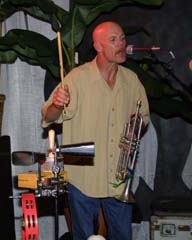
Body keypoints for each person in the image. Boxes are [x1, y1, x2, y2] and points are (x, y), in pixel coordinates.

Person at [42, 21, 150, 240]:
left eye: (122, 38)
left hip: (118, 177)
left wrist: (135, 126)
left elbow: (144, 118)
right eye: (113, 40)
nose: (121, 44)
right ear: (98, 47)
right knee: (84, 237)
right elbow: (48, 117)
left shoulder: (132, 80)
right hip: (83, 173)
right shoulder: (77, 78)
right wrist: (56, 104)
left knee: (122, 236)